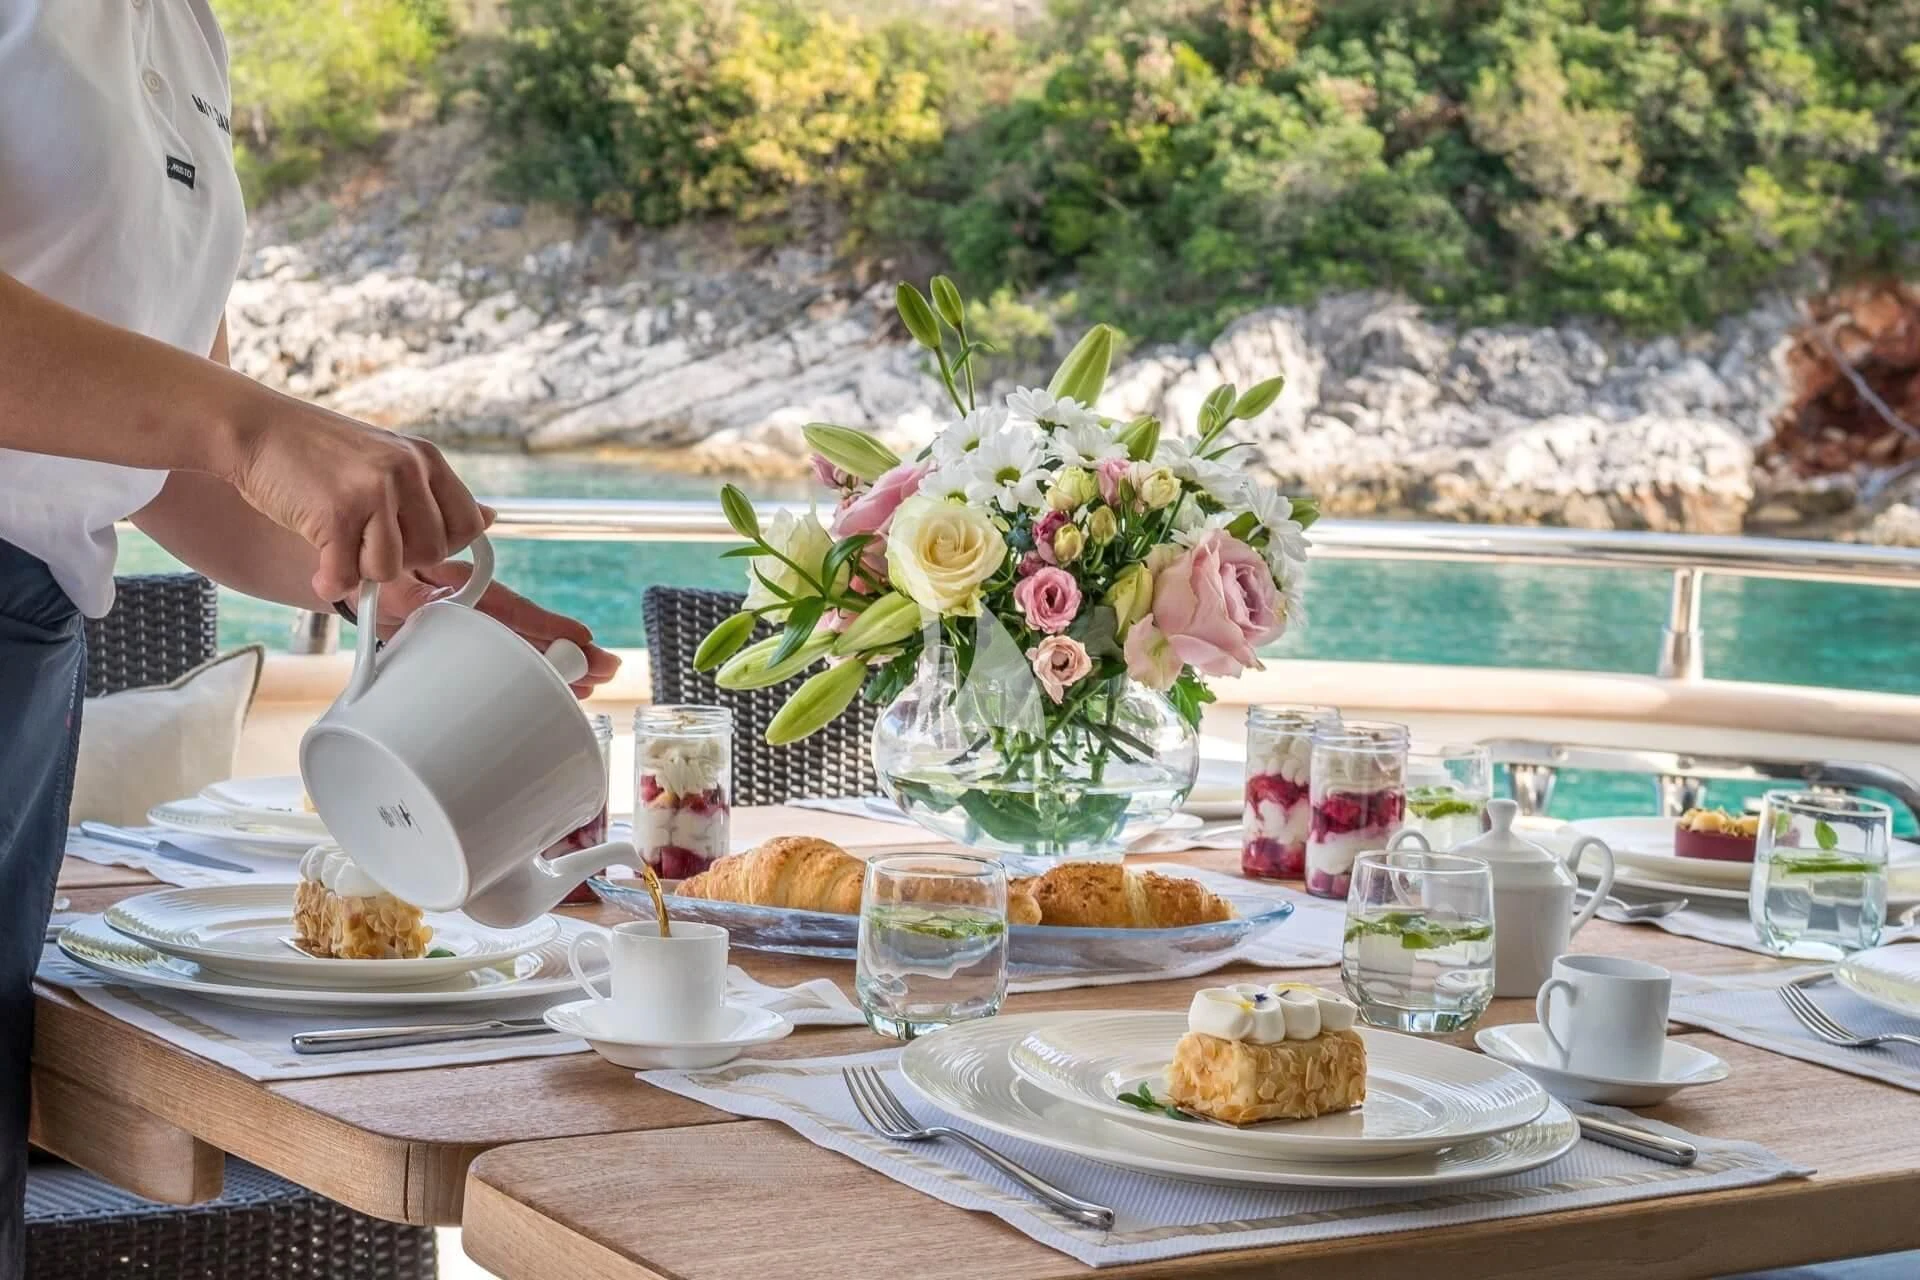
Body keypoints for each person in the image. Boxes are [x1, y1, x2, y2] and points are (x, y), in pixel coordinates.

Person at [0, 2, 618, 1268]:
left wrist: (398, 599)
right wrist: (252, 422)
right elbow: (214, 426)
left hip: (32, 648)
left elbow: (165, 454)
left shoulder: (183, 28)